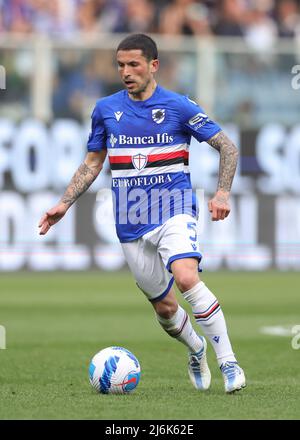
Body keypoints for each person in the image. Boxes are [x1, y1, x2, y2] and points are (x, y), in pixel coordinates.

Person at [39, 33, 246, 394]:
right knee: (166, 310)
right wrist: (65, 201)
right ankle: (196, 349)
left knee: (185, 277)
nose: (126, 72)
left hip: (174, 210)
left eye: (133, 64)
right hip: (130, 221)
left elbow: (227, 147)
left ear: (154, 66)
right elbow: (92, 163)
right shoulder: (105, 109)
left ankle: (228, 361)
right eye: (120, 65)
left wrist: (223, 192)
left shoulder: (179, 107)